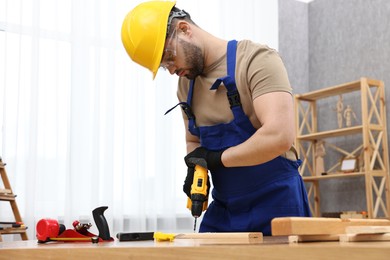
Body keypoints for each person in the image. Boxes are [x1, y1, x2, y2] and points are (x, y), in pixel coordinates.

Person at [121, 1, 311, 235]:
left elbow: (279, 135)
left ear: (184, 29)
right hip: (225, 208)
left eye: (168, 57)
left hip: (277, 203)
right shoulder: (185, 85)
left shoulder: (256, 60)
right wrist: (196, 165)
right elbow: (194, 141)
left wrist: (217, 159)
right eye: (162, 66)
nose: (171, 69)